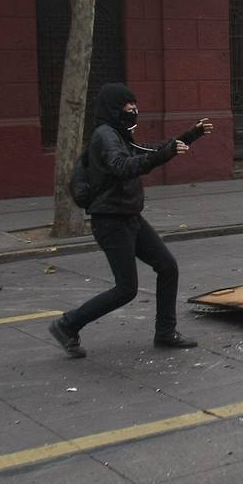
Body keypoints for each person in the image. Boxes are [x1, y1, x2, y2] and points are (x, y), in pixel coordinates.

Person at [49, 83, 213, 358]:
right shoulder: (106, 136)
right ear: (114, 109)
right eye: (129, 108)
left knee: (167, 266)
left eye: (136, 108)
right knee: (126, 289)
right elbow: (123, 166)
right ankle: (67, 324)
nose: (134, 113)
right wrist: (167, 153)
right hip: (111, 221)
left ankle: (165, 333)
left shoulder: (119, 134)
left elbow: (147, 151)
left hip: (129, 216)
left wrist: (189, 136)